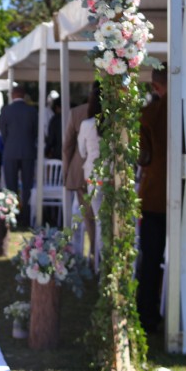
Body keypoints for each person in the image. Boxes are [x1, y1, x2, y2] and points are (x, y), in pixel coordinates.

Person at [137, 65, 168, 337]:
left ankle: (147, 315)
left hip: (155, 195)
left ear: (156, 87)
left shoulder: (148, 114)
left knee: (150, 261)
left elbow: (143, 157)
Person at [63, 83, 96, 257]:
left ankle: (92, 252)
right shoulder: (115, 112)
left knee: (88, 216)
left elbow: (67, 145)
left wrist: (67, 171)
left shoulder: (77, 112)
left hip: (82, 169)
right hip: (105, 172)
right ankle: (97, 254)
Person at [0, 84, 38, 228]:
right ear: (24, 95)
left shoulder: (6, 110)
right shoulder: (31, 110)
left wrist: (10, 143)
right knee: (27, 186)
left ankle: (12, 216)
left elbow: (3, 132)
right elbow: (35, 132)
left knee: (11, 186)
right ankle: (26, 217)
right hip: (28, 151)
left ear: (13, 95)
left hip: (11, 151)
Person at [76, 83, 103, 266]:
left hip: (94, 176)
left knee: (99, 221)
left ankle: (98, 263)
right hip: (112, 176)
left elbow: (82, 151)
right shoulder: (116, 123)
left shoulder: (87, 125)